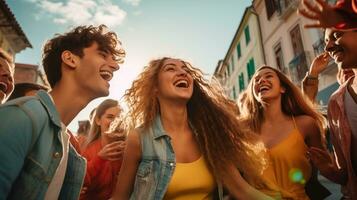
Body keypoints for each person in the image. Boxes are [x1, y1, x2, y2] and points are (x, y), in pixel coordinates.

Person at [111, 57, 273, 200]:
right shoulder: (139, 138)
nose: (183, 73)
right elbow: (120, 197)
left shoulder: (209, 136)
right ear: (155, 88)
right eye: (171, 68)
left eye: (186, 69)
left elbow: (242, 190)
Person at [0, 24, 125, 199]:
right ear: (70, 59)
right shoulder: (21, 116)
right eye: (103, 54)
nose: (115, 66)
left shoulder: (71, 149)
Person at [240, 65, 329, 199]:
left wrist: (313, 75)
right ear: (253, 92)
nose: (261, 80)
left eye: (268, 76)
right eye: (256, 80)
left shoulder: (306, 124)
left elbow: (325, 167)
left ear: (283, 88)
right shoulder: (242, 130)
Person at [308, 27, 357, 199]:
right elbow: (345, 176)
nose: (327, 47)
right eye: (326, 41)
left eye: (336, 35)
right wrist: (327, 168)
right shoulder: (336, 102)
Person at [80, 99, 126, 200]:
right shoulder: (87, 149)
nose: (116, 122)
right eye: (110, 117)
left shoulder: (129, 150)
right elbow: (78, 181)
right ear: (98, 120)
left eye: (120, 118)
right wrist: (100, 158)